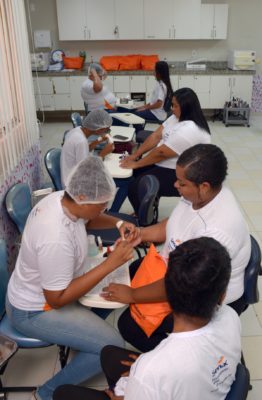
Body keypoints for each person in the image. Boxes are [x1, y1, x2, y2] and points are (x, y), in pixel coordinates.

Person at [6, 156, 139, 400]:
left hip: (43, 294)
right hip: (34, 311)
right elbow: (56, 299)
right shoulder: (54, 236)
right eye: (101, 205)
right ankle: (46, 393)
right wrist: (111, 263)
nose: (104, 210)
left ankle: (83, 340)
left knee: (107, 292)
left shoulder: (61, 198)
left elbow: (90, 217)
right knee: (110, 346)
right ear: (81, 197)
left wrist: (119, 222)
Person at [102, 144, 251, 352]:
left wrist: (133, 296)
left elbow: (185, 285)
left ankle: (184, 357)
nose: (175, 185)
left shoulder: (216, 232)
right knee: (133, 269)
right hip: (178, 269)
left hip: (201, 295)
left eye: (181, 183)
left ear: (204, 186)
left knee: (129, 326)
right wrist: (141, 234)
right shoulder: (198, 194)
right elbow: (172, 224)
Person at [53, 237, 241, 400]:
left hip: (156, 377)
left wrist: (131, 388)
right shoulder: (231, 317)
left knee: (63, 394)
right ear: (222, 295)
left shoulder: (153, 369)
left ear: (168, 296)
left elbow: (164, 370)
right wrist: (147, 372)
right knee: (109, 354)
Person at [120, 88, 211, 215]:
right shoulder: (175, 118)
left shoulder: (190, 129)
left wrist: (136, 163)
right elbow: (155, 136)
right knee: (133, 174)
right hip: (167, 164)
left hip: (184, 174)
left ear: (186, 108)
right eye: (172, 104)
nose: (172, 108)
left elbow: (161, 153)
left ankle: (145, 221)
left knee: (135, 187)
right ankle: (144, 209)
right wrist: (135, 156)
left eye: (175, 106)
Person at [61, 109, 114, 188]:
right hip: (73, 185)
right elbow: (86, 170)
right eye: (107, 130)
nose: (107, 132)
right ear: (99, 129)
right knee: (114, 181)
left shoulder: (77, 130)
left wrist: (99, 140)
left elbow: (85, 149)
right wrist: (102, 154)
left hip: (71, 175)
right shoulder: (80, 141)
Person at [133, 61, 173, 130]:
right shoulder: (161, 83)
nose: (153, 71)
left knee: (135, 115)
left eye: (154, 69)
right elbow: (153, 102)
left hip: (157, 114)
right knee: (136, 110)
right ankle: (140, 132)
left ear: (159, 72)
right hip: (155, 111)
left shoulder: (161, 86)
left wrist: (145, 108)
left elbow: (159, 104)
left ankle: (140, 135)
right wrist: (141, 107)